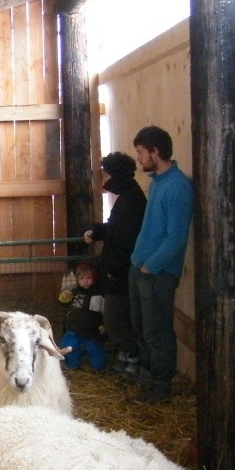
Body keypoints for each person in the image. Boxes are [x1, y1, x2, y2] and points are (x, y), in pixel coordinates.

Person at [128, 125, 194, 403]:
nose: (139, 159)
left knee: (158, 332)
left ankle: (159, 388)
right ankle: (146, 383)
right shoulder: (157, 182)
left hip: (157, 273)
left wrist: (149, 266)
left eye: (142, 153)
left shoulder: (178, 187)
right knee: (142, 329)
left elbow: (176, 238)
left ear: (156, 152)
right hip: (142, 266)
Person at [83, 151, 146, 377]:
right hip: (120, 269)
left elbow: (125, 239)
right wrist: (97, 230)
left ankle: (133, 356)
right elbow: (114, 229)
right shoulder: (127, 197)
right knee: (116, 317)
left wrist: (113, 269)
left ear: (114, 174)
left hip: (122, 271)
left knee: (115, 318)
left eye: (106, 173)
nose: (103, 178)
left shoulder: (131, 201)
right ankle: (125, 354)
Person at [58, 260, 107, 371]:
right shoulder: (73, 292)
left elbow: (104, 310)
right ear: (77, 280)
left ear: (93, 278)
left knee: (95, 350)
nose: (86, 281)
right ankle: (73, 366)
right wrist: (63, 298)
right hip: (74, 329)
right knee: (70, 347)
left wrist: (104, 324)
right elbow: (63, 305)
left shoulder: (99, 294)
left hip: (93, 330)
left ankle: (98, 369)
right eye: (82, 278)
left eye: (89, 278)